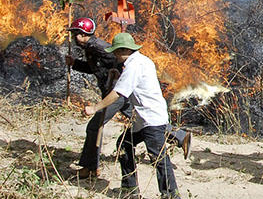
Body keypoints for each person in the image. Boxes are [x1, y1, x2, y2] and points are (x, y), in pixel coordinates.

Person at [66, 18, 191, 179]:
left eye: (75, 34)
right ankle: (179, 136)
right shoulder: (90, 48)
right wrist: (75, 63)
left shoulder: (99, 47)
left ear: (83, 34)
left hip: (115, 93)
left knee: (94, 126)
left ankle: (89, 168)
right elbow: (95, 68)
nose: (73, 37)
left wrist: (117, 77)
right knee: (143, 119)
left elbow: (119, 61)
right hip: (119, 92)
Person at [83, 33, 179, 199]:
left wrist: (95, 108)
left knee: (158, 157)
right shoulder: (141, 61)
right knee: (124, 144)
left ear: (124, 51)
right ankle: (129, 187)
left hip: (151, 118)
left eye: (116, 52)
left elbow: (118, 93)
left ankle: (171, 196)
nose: (114, 56)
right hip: (141, 118)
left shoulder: (134, 66)